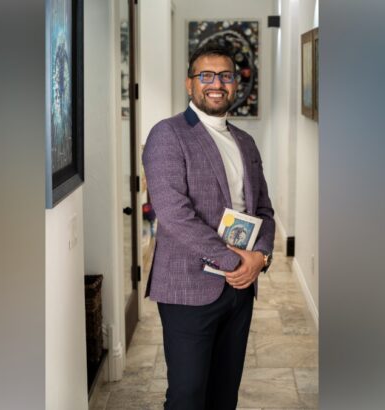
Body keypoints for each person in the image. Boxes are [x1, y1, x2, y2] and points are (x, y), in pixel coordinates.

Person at [141, 43, 275, 410]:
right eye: (206, 75)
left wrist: (261, 256)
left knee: (224, 395)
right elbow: (174, 214)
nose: (217, 83)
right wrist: (235, 262)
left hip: (240, 291)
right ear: (190, 84)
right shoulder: (168, 134)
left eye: (226, 76)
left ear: (235, 84)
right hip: (188, 288)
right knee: (187, 396)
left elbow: (263, 209)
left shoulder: (245, 142)